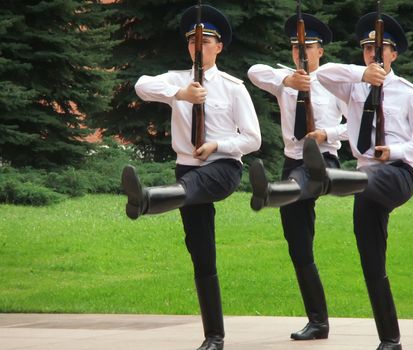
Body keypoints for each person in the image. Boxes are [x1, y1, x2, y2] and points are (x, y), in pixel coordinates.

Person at [121, 4, 261, 350]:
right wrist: (179, 94)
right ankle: (214, 337)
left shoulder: (232, 87)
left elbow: (253, 138)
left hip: (223, 168)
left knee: (190, 188)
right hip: (186, 170)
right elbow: (140, 85)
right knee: (201, 251)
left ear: (218, 47)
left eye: (205, 41)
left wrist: (217, 144)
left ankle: (149, 199)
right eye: (192, 42)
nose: (197, 47)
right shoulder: (175, 80)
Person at [316, 12, 413, 350]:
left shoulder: (409, 93)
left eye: (380, 48)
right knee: (372, 262)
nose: (372, 53)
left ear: (394, 54)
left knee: (365, 176)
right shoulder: (353, 84)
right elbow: (322, 73)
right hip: (362, 180)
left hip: (397, 174)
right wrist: (361, 74)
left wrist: (395, 150)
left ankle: (327, 178)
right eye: (367, 48)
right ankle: (390, 340)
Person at [247, 13, 367, 341]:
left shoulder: (334, 83)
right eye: (296, 47)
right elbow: (253, 72)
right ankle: (318, 321)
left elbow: (356, 124)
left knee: (306, 174)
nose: (301, 53)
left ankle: (271, 192)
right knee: (299, 247)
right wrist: (288, 81)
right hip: (292, 162)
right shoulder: (283, 79)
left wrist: (326, 132)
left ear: (320, 51)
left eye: (307, 47)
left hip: (322, 158)